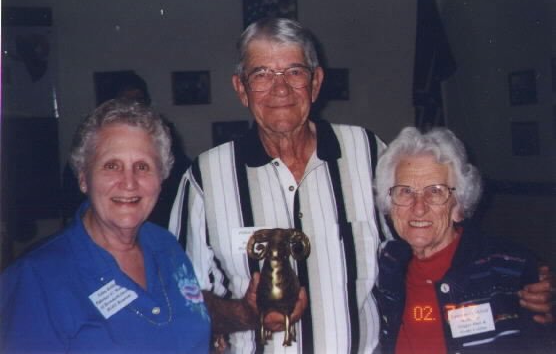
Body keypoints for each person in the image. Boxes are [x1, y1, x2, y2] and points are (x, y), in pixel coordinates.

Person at [168, 18, 553, 353]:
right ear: (241, 88)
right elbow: (180, 299)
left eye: (294, 72)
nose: (280, 88)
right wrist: (241, 314)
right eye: (262, 74)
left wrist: (519, 281)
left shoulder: (367, 152)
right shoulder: (205, 178)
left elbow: (430, 232)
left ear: (316, 83)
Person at [0, 99, 211, 353]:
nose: (129, 183)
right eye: (112, 166)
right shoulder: (35, 278)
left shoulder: (167, 248)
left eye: (142, 167)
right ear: (83, 178)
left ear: (161, 177)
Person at [373, 127, 553, 353]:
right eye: (405, 191)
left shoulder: (508, 269)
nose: (419, 208)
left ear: (458, 205)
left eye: (435, 192)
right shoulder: (385, 264)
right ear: (390, 206)